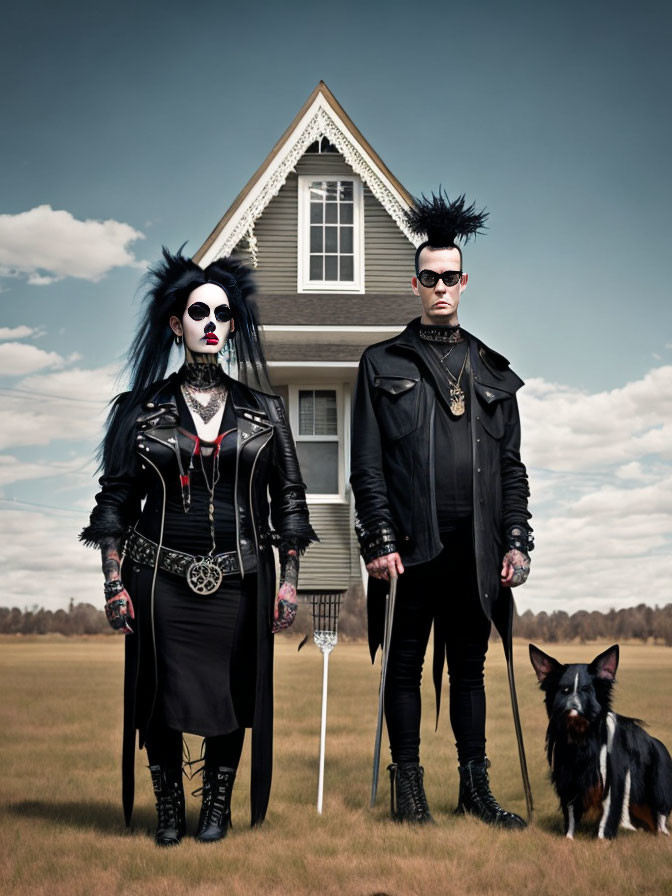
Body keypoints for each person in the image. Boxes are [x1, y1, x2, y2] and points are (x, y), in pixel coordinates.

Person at [81, 248, 316, 845]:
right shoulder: (138, 412)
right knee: (159, 695)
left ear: (233, 325)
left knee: (233, 694)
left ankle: (216, 807)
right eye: (197, 312)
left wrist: (288, 581)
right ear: (175, 324)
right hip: (157, 578)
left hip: (240, 579)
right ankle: (167, 809)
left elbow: (290, 501)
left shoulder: (265, 412)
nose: (210, 322)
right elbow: (113, 504)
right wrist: (113, 582)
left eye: (222, 313)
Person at [350, 192, 533, 827]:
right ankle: (408, 792)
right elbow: (366, 465)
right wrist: (375, 539)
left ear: (464, 281)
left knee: (471, 673)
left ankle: (475, 790)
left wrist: (516, 539)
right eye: (428, 278)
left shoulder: (492, 370)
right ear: (415, 283)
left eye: (450, 277)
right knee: (403, 667)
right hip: (409, 547)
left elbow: (512, 467)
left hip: (476, 551)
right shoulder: (381, 364)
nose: (440, 288)